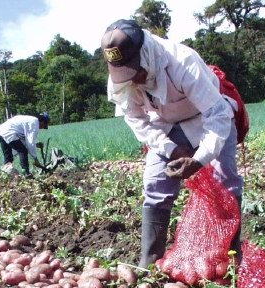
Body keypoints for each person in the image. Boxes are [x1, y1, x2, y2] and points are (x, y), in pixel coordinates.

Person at [101, 19, 243, 269]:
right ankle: (150, 259)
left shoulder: (183, 63)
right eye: (128, 75)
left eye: (137, 71)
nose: (135, 80)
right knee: (155, 183)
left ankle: (231, 257)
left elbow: (218, 114)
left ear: (146, 54)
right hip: (165, 125)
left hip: (209, 118)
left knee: (225, 180)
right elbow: (136, 119)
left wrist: (200, 159)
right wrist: (171, 148)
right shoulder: (122, 80)